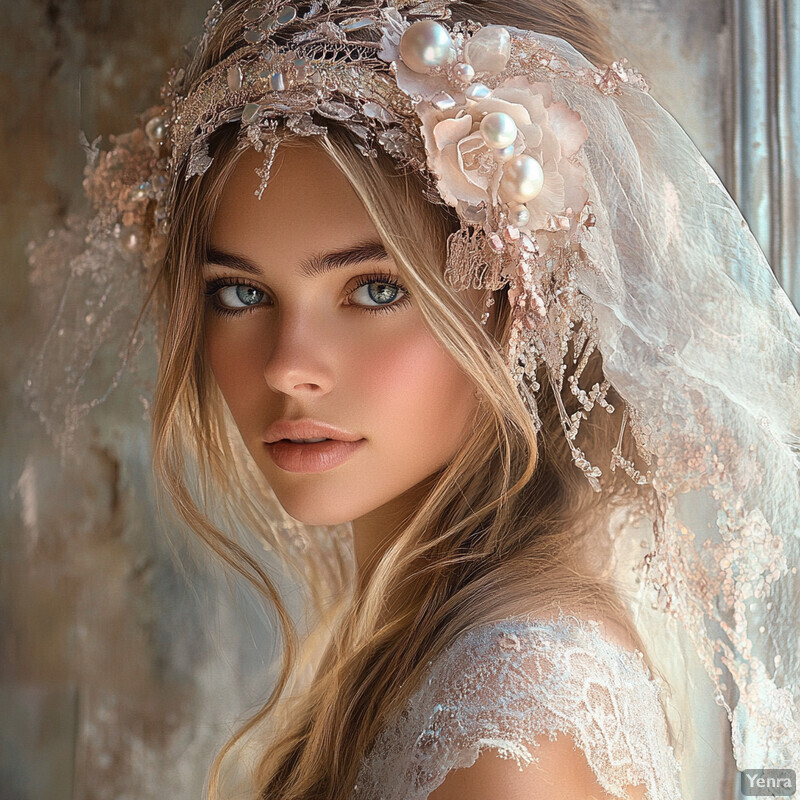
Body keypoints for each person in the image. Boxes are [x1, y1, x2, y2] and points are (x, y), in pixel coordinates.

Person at [25, 0, 800, 798]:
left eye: (375, 286)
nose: (290, 367)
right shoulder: (436, 659)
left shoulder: (510, 736)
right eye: (240, 294)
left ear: (519, 300)